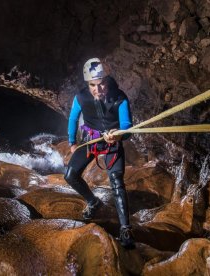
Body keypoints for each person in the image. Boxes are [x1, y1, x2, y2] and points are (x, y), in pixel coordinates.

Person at [64, 57, 135, 249]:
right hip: (90, 141)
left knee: (117, 183)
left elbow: (127, 127)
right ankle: (93, 202)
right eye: (93, 85)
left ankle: (125, 229)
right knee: (70, 175)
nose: (98, 90)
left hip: (112, 143)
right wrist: (72, 141)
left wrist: (118, 137)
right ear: (88, 84)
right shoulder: (81, 97)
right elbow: (73, 118)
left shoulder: (119, 98)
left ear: (107, 81)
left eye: (101, 84)